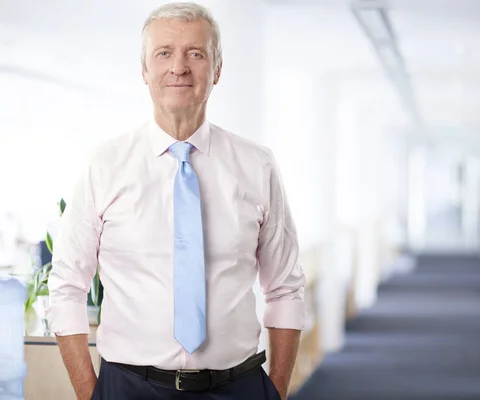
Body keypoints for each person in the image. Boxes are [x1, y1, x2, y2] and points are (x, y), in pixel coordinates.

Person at [47, 2, 305, 399]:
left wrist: (278, 390)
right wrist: (89, 394)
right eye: (164, 53)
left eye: (195, 54)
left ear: (217, 69)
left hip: (238, 386)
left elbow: (285, 288)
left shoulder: (257, 165)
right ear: (144, 70)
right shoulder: (105, 165)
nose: (179, 67)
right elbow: (66, 286)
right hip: (129, 386)